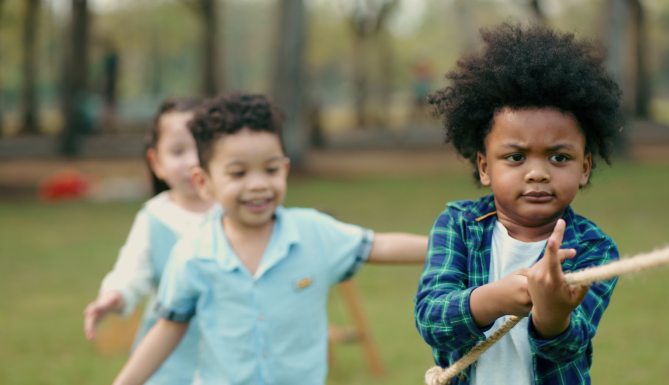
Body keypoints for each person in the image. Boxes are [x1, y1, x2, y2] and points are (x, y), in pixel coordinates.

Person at [112, 92, 428, 385]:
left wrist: (450, 249)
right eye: (238, 173)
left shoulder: (314, 233)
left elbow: (378, 245)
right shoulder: (193, 253)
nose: (258, 184)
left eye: (271, 169)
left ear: (285, 169)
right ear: (204, 182)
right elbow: (168, 327)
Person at [414, 23, 623, 385]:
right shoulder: (458, 226)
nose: (538, 173)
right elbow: (433, 321)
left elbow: (568, 349)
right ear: (484, 166)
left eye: (559, 158)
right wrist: (497, 298)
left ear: (585, 167)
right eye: (516, 157)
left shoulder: (594, 248)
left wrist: (554, 314)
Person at [84, 97, 217, 385]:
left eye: (202, 148)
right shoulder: (154, 217)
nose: (193, 161)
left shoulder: (232, 213)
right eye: (179, 150)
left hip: (227, 350)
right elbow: (133, 268)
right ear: (157, 162)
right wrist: (114, 296)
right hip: (167, 358)